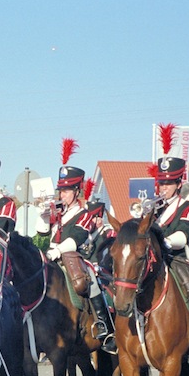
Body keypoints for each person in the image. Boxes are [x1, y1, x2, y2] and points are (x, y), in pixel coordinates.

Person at [37, 138, 116, 354]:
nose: (61, 194)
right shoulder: (58, 214)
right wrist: (43, 217)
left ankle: (105, 326)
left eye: (66, 190)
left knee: (89, 280)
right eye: (60, 190)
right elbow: (42, 235)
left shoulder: (84, 214)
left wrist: (57, 251)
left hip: (75, 258)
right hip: (52, 258)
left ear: (77, 191)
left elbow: (75, 240)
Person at [150, 124, 189, 291]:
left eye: (169, 183)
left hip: (175, 259)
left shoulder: (187, 206)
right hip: (152, 259)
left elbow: (185, 235)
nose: (164, 188)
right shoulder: (154, 207)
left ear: (178, 184)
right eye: (162, 183)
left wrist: (166, 242)